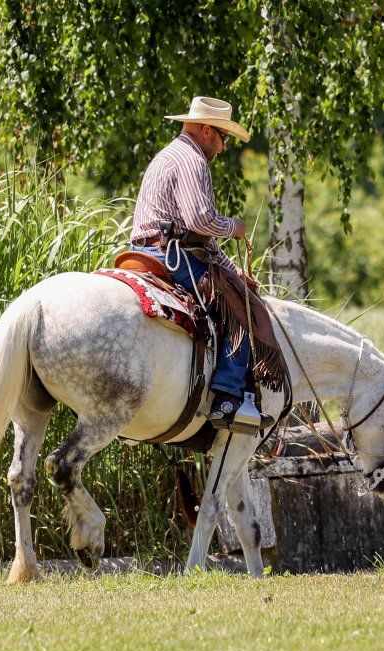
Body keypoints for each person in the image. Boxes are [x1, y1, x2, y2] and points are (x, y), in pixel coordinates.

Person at [130, 96, 274, 431]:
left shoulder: (167, 155)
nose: (223, 147)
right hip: (173, 255)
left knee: (235, 289)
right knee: (242, 308)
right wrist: (234, 227)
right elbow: (200, 222)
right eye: (223, 137)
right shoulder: (193, 161)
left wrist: (232, 270)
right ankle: (227, 399)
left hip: (147, 250)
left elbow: (201, 238)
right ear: (207, 130)